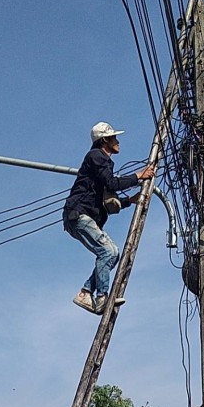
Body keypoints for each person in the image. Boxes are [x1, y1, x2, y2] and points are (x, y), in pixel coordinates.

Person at [63, 122, 155, 314]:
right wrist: (139, 175)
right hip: (79, 214)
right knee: (109, 252)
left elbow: (107, 200)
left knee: (112, 255)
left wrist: (129, 201)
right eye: (114, 138)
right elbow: (112, 183)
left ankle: (86, 292)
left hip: (80, 216)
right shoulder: (96, 156)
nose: (118, 141)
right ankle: (101, 298)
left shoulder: (100, 162)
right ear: (105, 140)